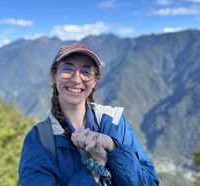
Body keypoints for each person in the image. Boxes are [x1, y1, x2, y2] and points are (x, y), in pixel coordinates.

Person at [18, 42, 159, 185]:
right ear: (54, 76)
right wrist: (95, 167)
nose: (76, 79)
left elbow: (149, 182)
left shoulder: (114, 123)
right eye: (67, 69)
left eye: (86, 72)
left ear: (95, 82)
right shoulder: (39, 140)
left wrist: (113, 146)